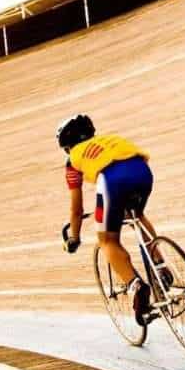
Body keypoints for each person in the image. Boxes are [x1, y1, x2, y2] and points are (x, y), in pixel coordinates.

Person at [57, 113, 156, 323]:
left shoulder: (72, 160)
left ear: (68, 146)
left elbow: (77, 208)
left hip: (113, 181)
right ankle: (160, 267)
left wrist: (74, 237)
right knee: (137, 215)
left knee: (107, 240)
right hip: (143, 172)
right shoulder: (109, 139)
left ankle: (136, 286)